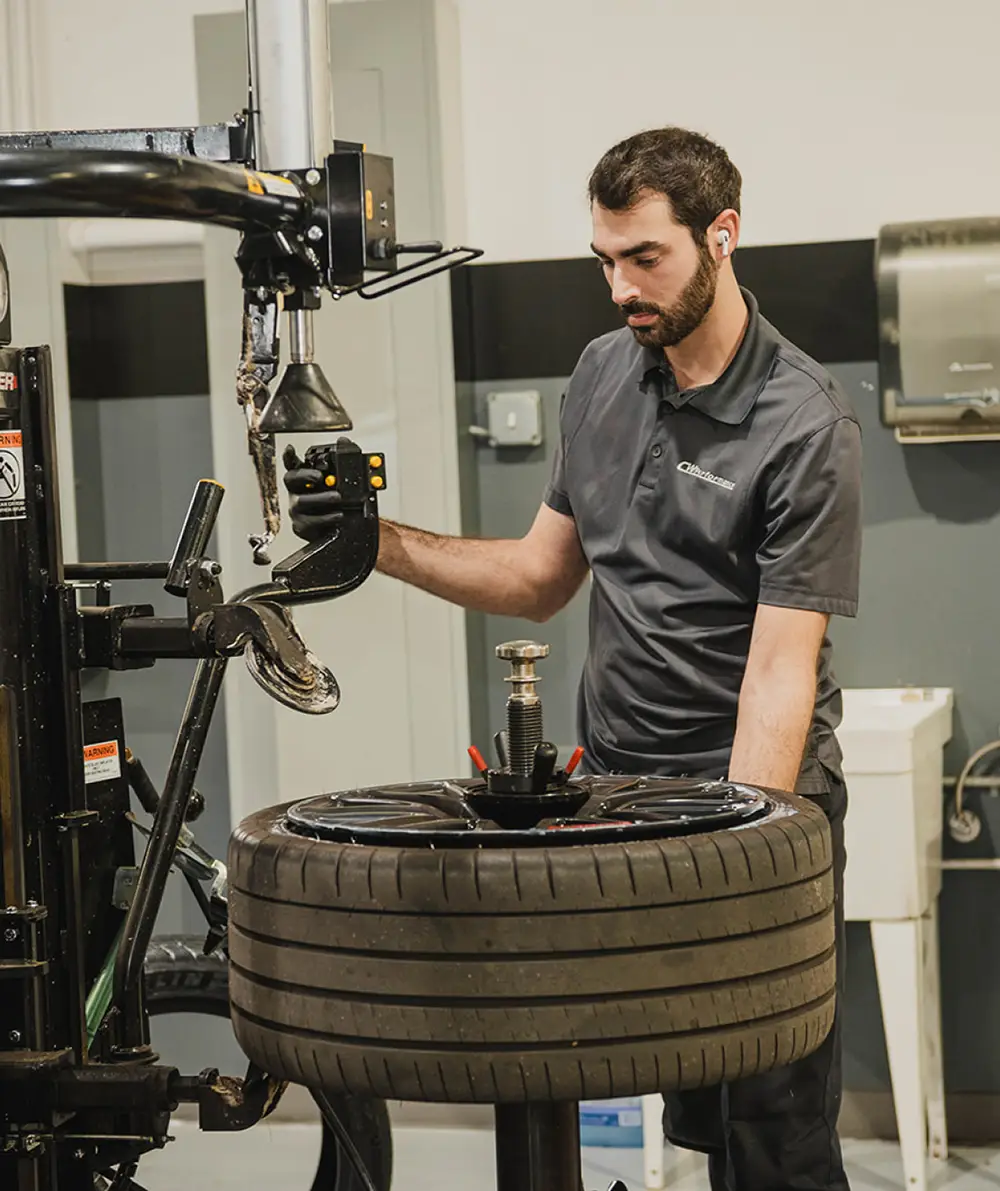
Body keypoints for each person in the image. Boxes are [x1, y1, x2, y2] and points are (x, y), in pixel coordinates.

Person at [284, 126, 862, 1191]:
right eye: (605, 259)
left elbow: (779, 673)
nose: (619, 289)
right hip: (618, 808)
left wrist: (732, 862)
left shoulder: (801, 419)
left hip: (754, 818)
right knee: (668, 1099)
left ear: (721, 237)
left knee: (769, 1137)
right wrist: (378, 544)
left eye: (645, 258)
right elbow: (537, 578)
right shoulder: (602, 372)